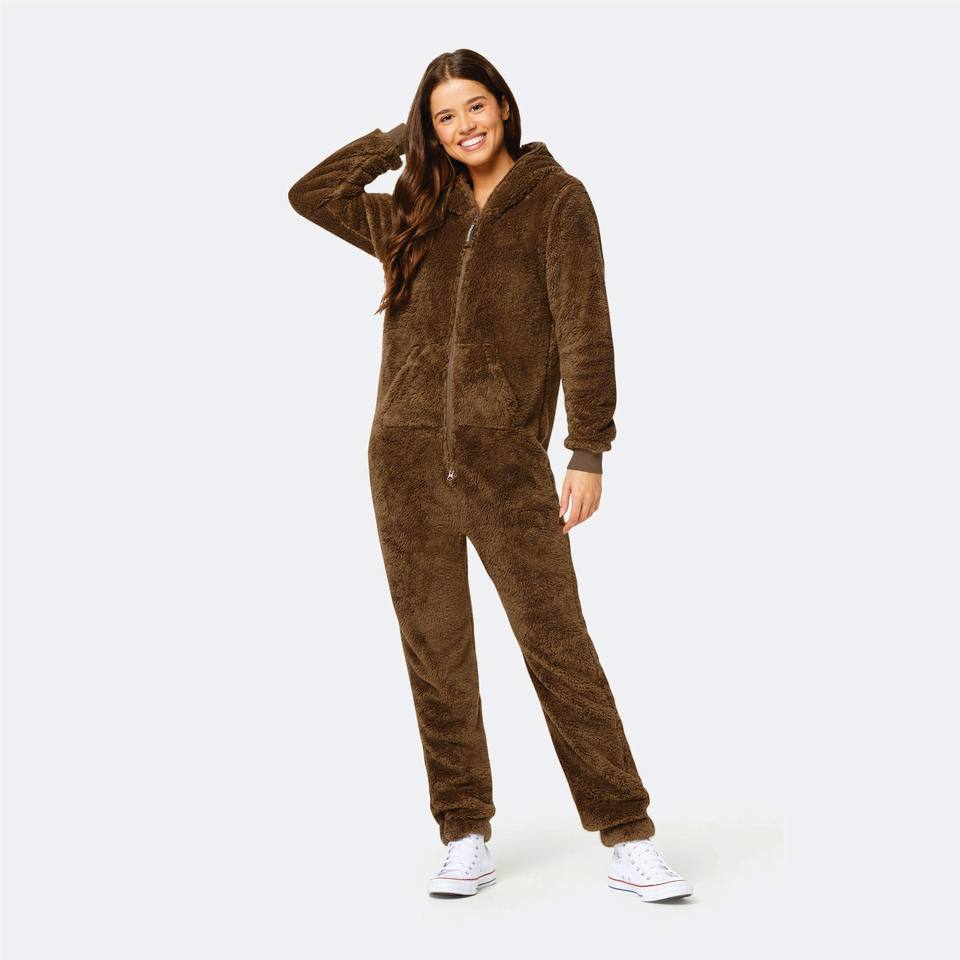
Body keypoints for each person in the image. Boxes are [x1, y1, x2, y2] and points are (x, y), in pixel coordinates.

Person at [288, 48, 693, 902]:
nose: (464, 125)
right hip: (403, 464)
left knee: (559, 647)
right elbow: (312, 194)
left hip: (506, 466)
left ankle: (627, 834)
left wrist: (588, 448)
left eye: (475, 106)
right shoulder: (414, 210)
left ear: (504, 106)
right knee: (435, 655)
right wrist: (397, 142)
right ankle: (463, 830)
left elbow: (585, 329)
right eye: (444, 116)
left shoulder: (557, 201)